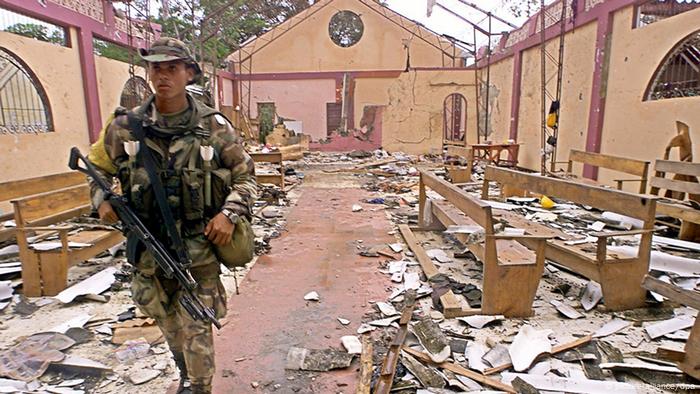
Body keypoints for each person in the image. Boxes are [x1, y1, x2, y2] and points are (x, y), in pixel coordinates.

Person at [86, 37, 257, 394]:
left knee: (197, 324)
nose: (162, 76)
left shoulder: (214, 127)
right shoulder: (124, 127)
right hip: (148, 247)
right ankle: (183, 371)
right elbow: (97, 171)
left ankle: (199, 386)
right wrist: (101, 198)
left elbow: (245, 177)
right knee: (167, 321)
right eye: (155, 68)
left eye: (172, 68)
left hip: (198, 246)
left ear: (189, 73)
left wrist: (228, 213)